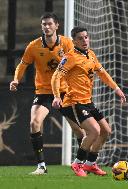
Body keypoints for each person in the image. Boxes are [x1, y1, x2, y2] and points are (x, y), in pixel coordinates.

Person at [9, 13, 85, 175]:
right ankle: (41, 166)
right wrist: (16, 79)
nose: (46, 27)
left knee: (79, 130)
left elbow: (79, 63)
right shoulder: (34, 46)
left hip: (65, 91)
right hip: (44, 91)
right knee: (34, 123)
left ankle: (84, 164)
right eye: (44, 24)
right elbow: (22, 65)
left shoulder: (67, 43)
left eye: (50, 24)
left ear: (57, 25)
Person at [51, 26, 126, 177]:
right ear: (74, 41)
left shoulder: (90, 54)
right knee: (94, 131)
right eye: (80, 38)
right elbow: (56, 76)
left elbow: (102, 73)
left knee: (106, 131)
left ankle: (90, 164)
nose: (84, 40)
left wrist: (116, 88)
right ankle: (77, 163)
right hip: (74, 102)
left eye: (86, 37)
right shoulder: (70, 57)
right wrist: (57, 96)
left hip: (88, 101)